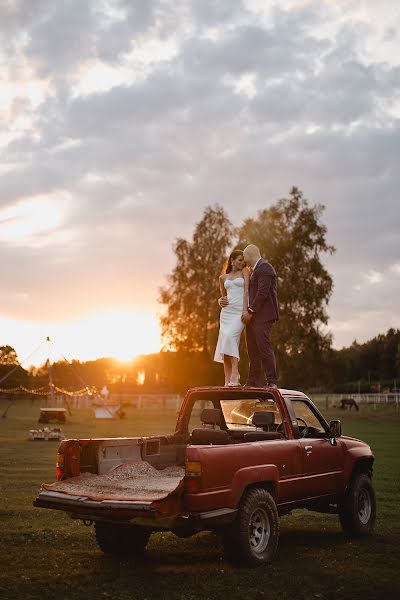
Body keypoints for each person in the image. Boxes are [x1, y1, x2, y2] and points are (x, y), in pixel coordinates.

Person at [219, 244, 279, 388]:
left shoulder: (265, 268)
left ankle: (272, 381)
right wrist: (222, 300)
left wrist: (250, 311)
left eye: (244, 257)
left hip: (263, 316)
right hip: (251, 317)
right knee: (252, 350)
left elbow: (262, 293)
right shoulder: (253, 271)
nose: (244, 261)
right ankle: (253, 380)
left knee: (264, 347)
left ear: (251, 255)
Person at [214, 250, 250, 386]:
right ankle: (227, 380)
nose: (242, 263)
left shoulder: (245, 272)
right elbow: (223, 298)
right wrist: (220, 301)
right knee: (225, 344)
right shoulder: (223, 278)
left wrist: (245, 310)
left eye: (244, 260)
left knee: (230, 337)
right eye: (240, 260)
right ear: (232, 260)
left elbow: (247, 291)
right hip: (226, 314)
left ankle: (236, 373)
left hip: (239, 313)